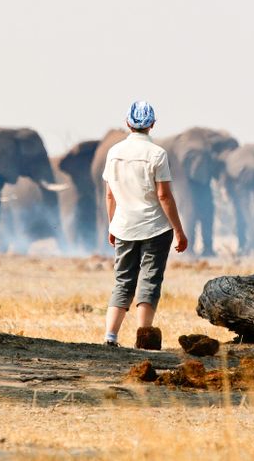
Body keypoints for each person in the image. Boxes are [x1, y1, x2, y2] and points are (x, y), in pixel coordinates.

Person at [102, 101, 188, 348]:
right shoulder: (157, 154)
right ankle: (144, 336)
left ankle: (110, 336)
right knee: (150, 279)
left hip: (124, 226)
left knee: (123, 280)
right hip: (156, 228)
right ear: (152, 124)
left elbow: (110, 195)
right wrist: (179, 231)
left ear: (128, 123)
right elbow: (163, 196)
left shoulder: (113, 152)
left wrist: (112, 225)